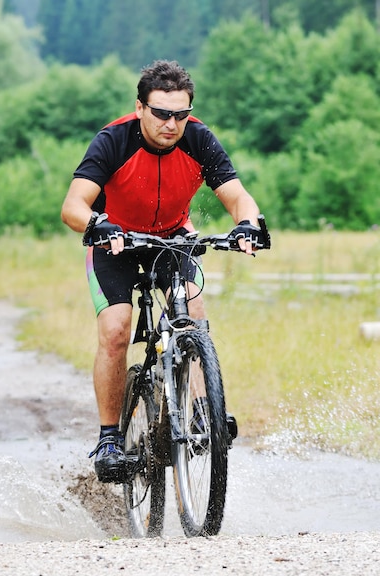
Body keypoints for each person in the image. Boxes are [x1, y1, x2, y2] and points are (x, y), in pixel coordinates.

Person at [61, 59, 262, 483]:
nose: (172, 124)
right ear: (140, 108)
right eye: (161, 113)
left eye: (181, 114)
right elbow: (73, 207)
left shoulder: (199, 138)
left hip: (170, 236)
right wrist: (98, 223)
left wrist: (247, 224)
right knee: (116, 329)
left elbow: (238, 196)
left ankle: (205, 410)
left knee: (193, 305)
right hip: (114, 240)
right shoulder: (113, 140)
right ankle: (110, 437)